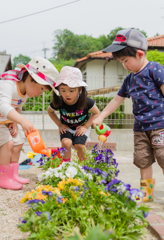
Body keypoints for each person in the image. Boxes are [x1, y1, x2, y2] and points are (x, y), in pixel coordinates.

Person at [93, 28, 164, 202]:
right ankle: (147, 195)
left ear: (140, 54)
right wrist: (101, 116)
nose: (124, 66)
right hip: (140, 129)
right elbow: (116, 100)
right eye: (121, 62)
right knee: (143, 161)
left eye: (125, 61)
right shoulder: (129, 79)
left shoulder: (155, 69)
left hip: (160, 126)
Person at [0, 56, 59, 190]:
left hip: (5, 121)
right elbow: (3, 106)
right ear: (31, 79)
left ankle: (12, 174)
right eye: (41, 89)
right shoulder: (7, 84)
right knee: (7, 143)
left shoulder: (25, 92)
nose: (40, 94)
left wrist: (14, 122)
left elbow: (17, 107)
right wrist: (21, 121)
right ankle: (3, 177)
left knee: (18, 143)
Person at [48, 66, 99, 161]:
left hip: (81, 128)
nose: (67, 94)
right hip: (66, 127)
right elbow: (50, 111)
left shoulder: (86, 101)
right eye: (63, 90)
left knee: (79, 145)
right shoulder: (58, 101)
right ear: (58, 89)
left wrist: (86, 127)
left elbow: (96, 113)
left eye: (71, 90)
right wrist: (59, 124)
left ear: (79, 89)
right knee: (66, 143)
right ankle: (66, 166)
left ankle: (85, 166)